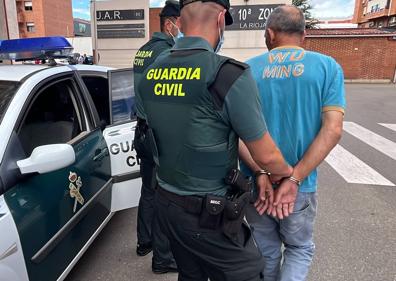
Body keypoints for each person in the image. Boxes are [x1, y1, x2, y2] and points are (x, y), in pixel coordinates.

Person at [138, 1, 295, 280]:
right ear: (221, 19)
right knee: (249, 271)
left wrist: (258, 171)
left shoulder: (153, 70)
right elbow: (267, 155)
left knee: (191, 273)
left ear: (180, 23)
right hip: (207, 214)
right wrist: (288, 175)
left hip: (166, 203)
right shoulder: (227, 73)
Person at [240, 5, 346, 281]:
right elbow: (333, 130)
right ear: (304, 36)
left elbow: (235, 133)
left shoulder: (245, 71)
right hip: (300, 187)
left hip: (256, 183)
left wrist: (261, 172)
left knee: (265, 249)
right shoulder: (327, 67)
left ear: (270, 34)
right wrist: (294, 178)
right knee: (299, 248)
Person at [132, 0, 181, 274]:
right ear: (170, 23)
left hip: (142, 131)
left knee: (148, 190)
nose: (182, 30)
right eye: (181, 24)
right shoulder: (166, 52)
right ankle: (163, 257)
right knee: (164, 194)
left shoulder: (143, 50)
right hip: (158, 134)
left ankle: (144, 241)